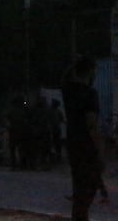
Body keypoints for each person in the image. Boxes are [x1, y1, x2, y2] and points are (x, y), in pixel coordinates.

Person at [63, 55, 105, 220]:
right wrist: (100, 151)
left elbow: (65, 77)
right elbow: (91, 125)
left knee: (79, 190)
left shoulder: (68, 90)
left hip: (73, 143)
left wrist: (74, 64)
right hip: (87, 145)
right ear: (90, 72)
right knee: (88, 190)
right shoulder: (90, 93)